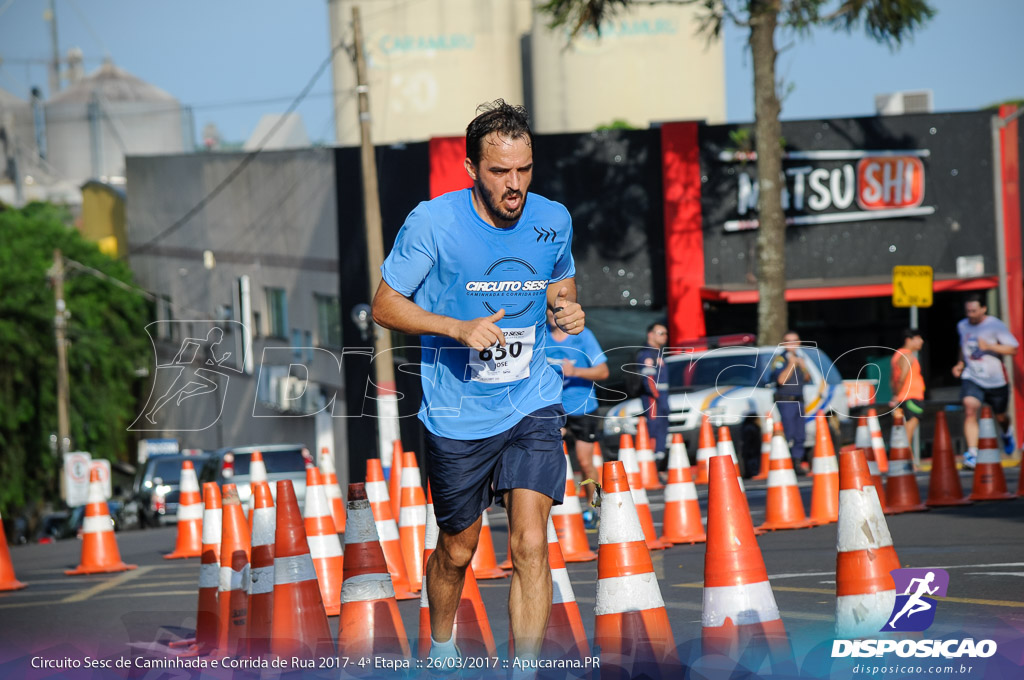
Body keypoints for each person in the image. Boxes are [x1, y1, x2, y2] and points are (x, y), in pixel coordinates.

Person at [371, 100, 585, 663]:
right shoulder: (433, 223)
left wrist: (567, 310)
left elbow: (561, 285)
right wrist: (455, 327)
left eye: (524, 169)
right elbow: (385, 305)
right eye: (499, 172)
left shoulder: (553, 218)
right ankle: (441, 653)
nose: (514, 185)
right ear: (471, 169)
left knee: (531, 543)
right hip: (457, 412)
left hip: (531, 401)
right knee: (458, 550)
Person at [545, 307, 608, 526]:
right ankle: (547, 513)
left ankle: (598, 508)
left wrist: (576, 372)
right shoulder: (540, 335)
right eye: (549, 311)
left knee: (584, 462)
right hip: (551, 408)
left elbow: (603, 372)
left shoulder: (583, 335)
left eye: (556, 311)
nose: (552, 315)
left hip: (583, 407)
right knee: (544, 458)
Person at [952, 294, 1019, 469]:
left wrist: (989, 347)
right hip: (973, 376)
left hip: (996, 380)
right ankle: (973, 453)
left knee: (1001, 416)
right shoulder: (962, 325)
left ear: (983, 309)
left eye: (974, 311)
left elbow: (1013, 348)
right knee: (970, 407)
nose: (971, 314)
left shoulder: (995, 325)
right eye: (968, 311)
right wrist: (960, 363)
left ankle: (1006, 432)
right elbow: (963, 346)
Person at [770, 330, 811, 473]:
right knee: (788, 432)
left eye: (794, 340)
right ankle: (785, 460)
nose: (792, 344)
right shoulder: (780, 360)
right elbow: (781, 380)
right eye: (788, 341)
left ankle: (797, 462)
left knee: (800, 434)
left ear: (799, 342)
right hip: (786, 401)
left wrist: (802, 366)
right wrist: (791, 365)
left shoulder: (800, 358)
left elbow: (807, 378)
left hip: (799, 400)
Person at [637, 322, 670, 464]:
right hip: (654, 398)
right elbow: (648, 379)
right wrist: (656, 396)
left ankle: (660, 459)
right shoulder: (647, 354)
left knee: (662, 428)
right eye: (660, 333)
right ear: (650, 334)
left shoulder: (659, 353)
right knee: (654, 428)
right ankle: (652, 463)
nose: (665, 337)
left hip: (663, 397)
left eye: (666, 334)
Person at [890, 329, 925, 445]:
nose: (922, 341)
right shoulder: (907, 355)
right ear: (908, 340)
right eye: (918, 338)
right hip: (911, 398)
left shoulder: (896, 355)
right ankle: (908, 462)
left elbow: (892, 380)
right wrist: (896, 396)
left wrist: (896, 395)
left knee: (905, 433)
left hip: (905, 397)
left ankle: (909, 462)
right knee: (908, 435)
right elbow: (901, 378)